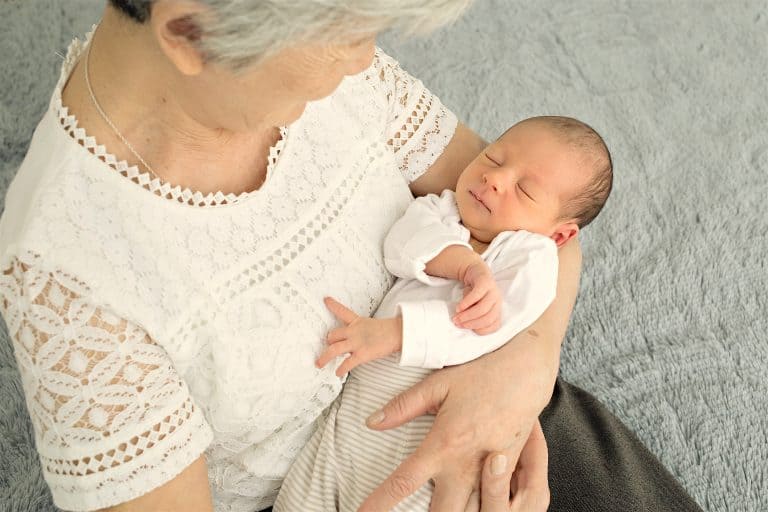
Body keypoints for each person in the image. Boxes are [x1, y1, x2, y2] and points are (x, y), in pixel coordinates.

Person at [0, 1, 703, 511]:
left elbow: (545, 229)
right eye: (348, 36)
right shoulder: (69, 280)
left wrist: (528, 359)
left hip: (512, 413)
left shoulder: (332, 70)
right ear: (192, 30)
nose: (368, 59)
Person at [275, 116, 611, 511]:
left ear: (559, 236)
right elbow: (401, 246)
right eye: (493, 157)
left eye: (524, 189)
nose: (495, 179)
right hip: (347, 429)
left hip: (426, 439)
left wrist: (398, 333)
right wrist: (462, 265)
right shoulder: (444, 209)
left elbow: (483, 329)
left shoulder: (530, 260)